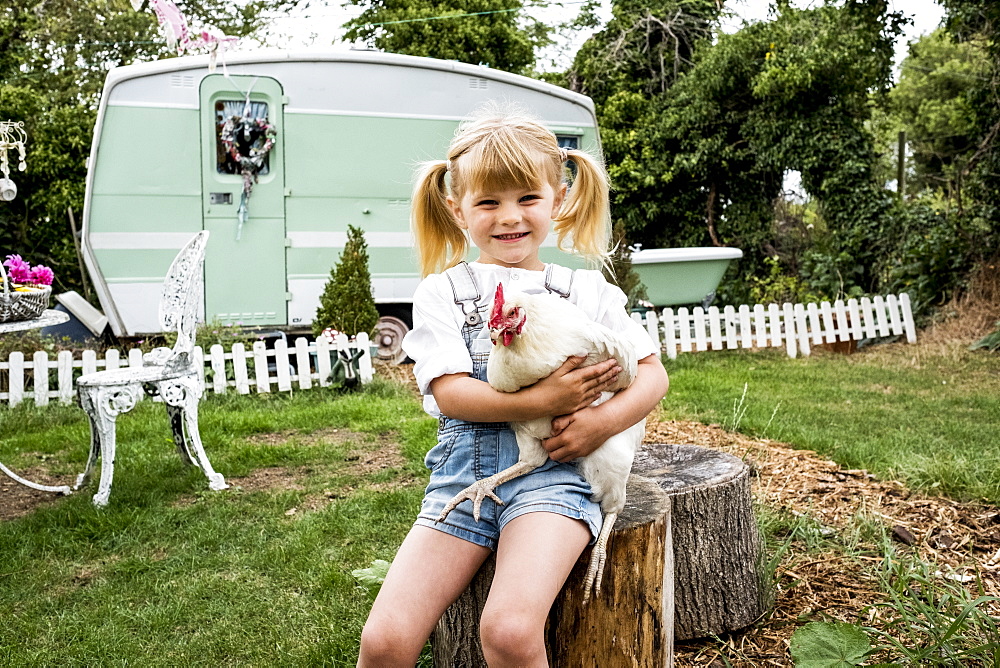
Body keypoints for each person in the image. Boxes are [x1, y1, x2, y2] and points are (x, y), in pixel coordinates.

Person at [358, 106, 669, 668]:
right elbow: (452, 393)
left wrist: (599, 422)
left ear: (559, 199)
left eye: (527, 198)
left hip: (554, 478)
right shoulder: (442, 292)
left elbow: (653, 375)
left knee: (507, 630)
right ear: (457, 209)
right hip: (462, 476)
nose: (510, 218)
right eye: (488, 202)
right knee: (384, 642)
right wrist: (543, 401)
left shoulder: (587, 290)